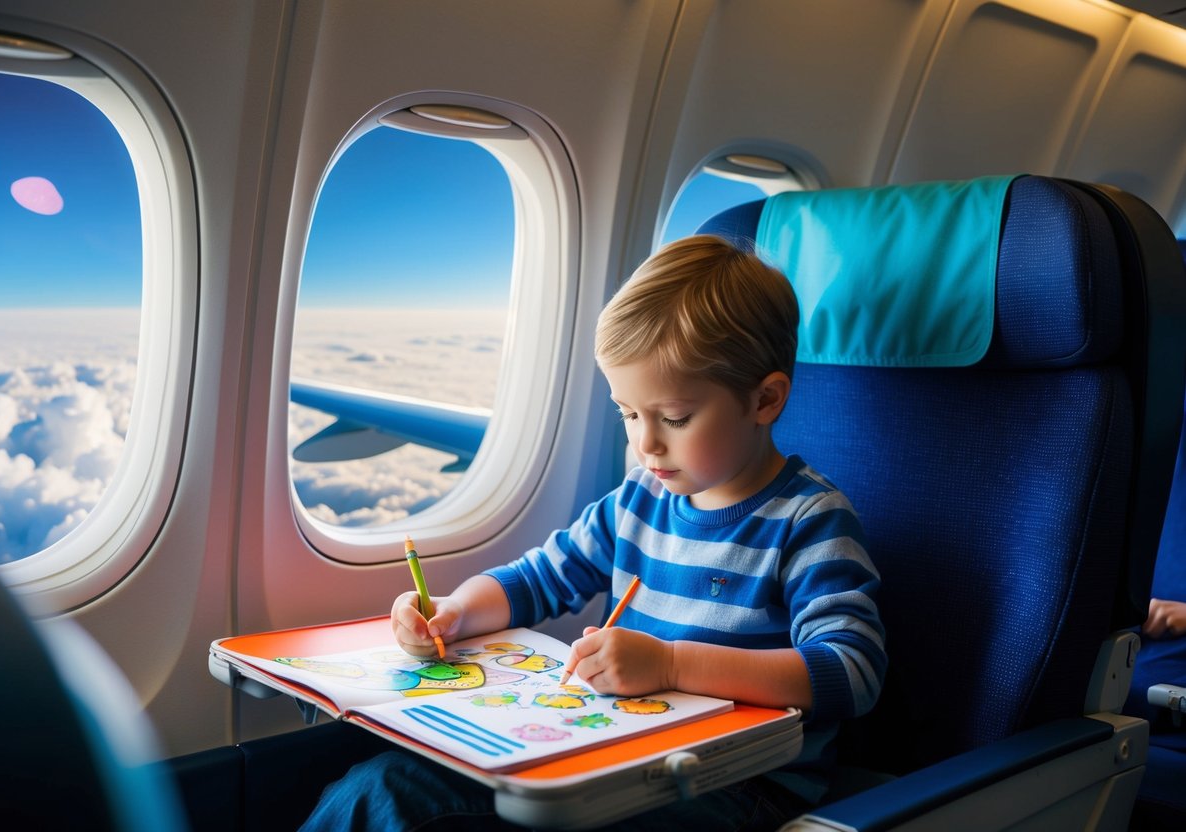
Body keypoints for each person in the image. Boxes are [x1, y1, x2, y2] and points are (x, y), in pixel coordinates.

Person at [299, 235, 887, 831]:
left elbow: (852, 671)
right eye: (628, 413)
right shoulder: (638, 500)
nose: (646, 443)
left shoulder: (808, 522)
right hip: (623, 757)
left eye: (675, 418)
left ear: (765, 400)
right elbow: (536, 580)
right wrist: (452, 614)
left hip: (735, 786)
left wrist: (672, 664)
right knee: (385, 789)